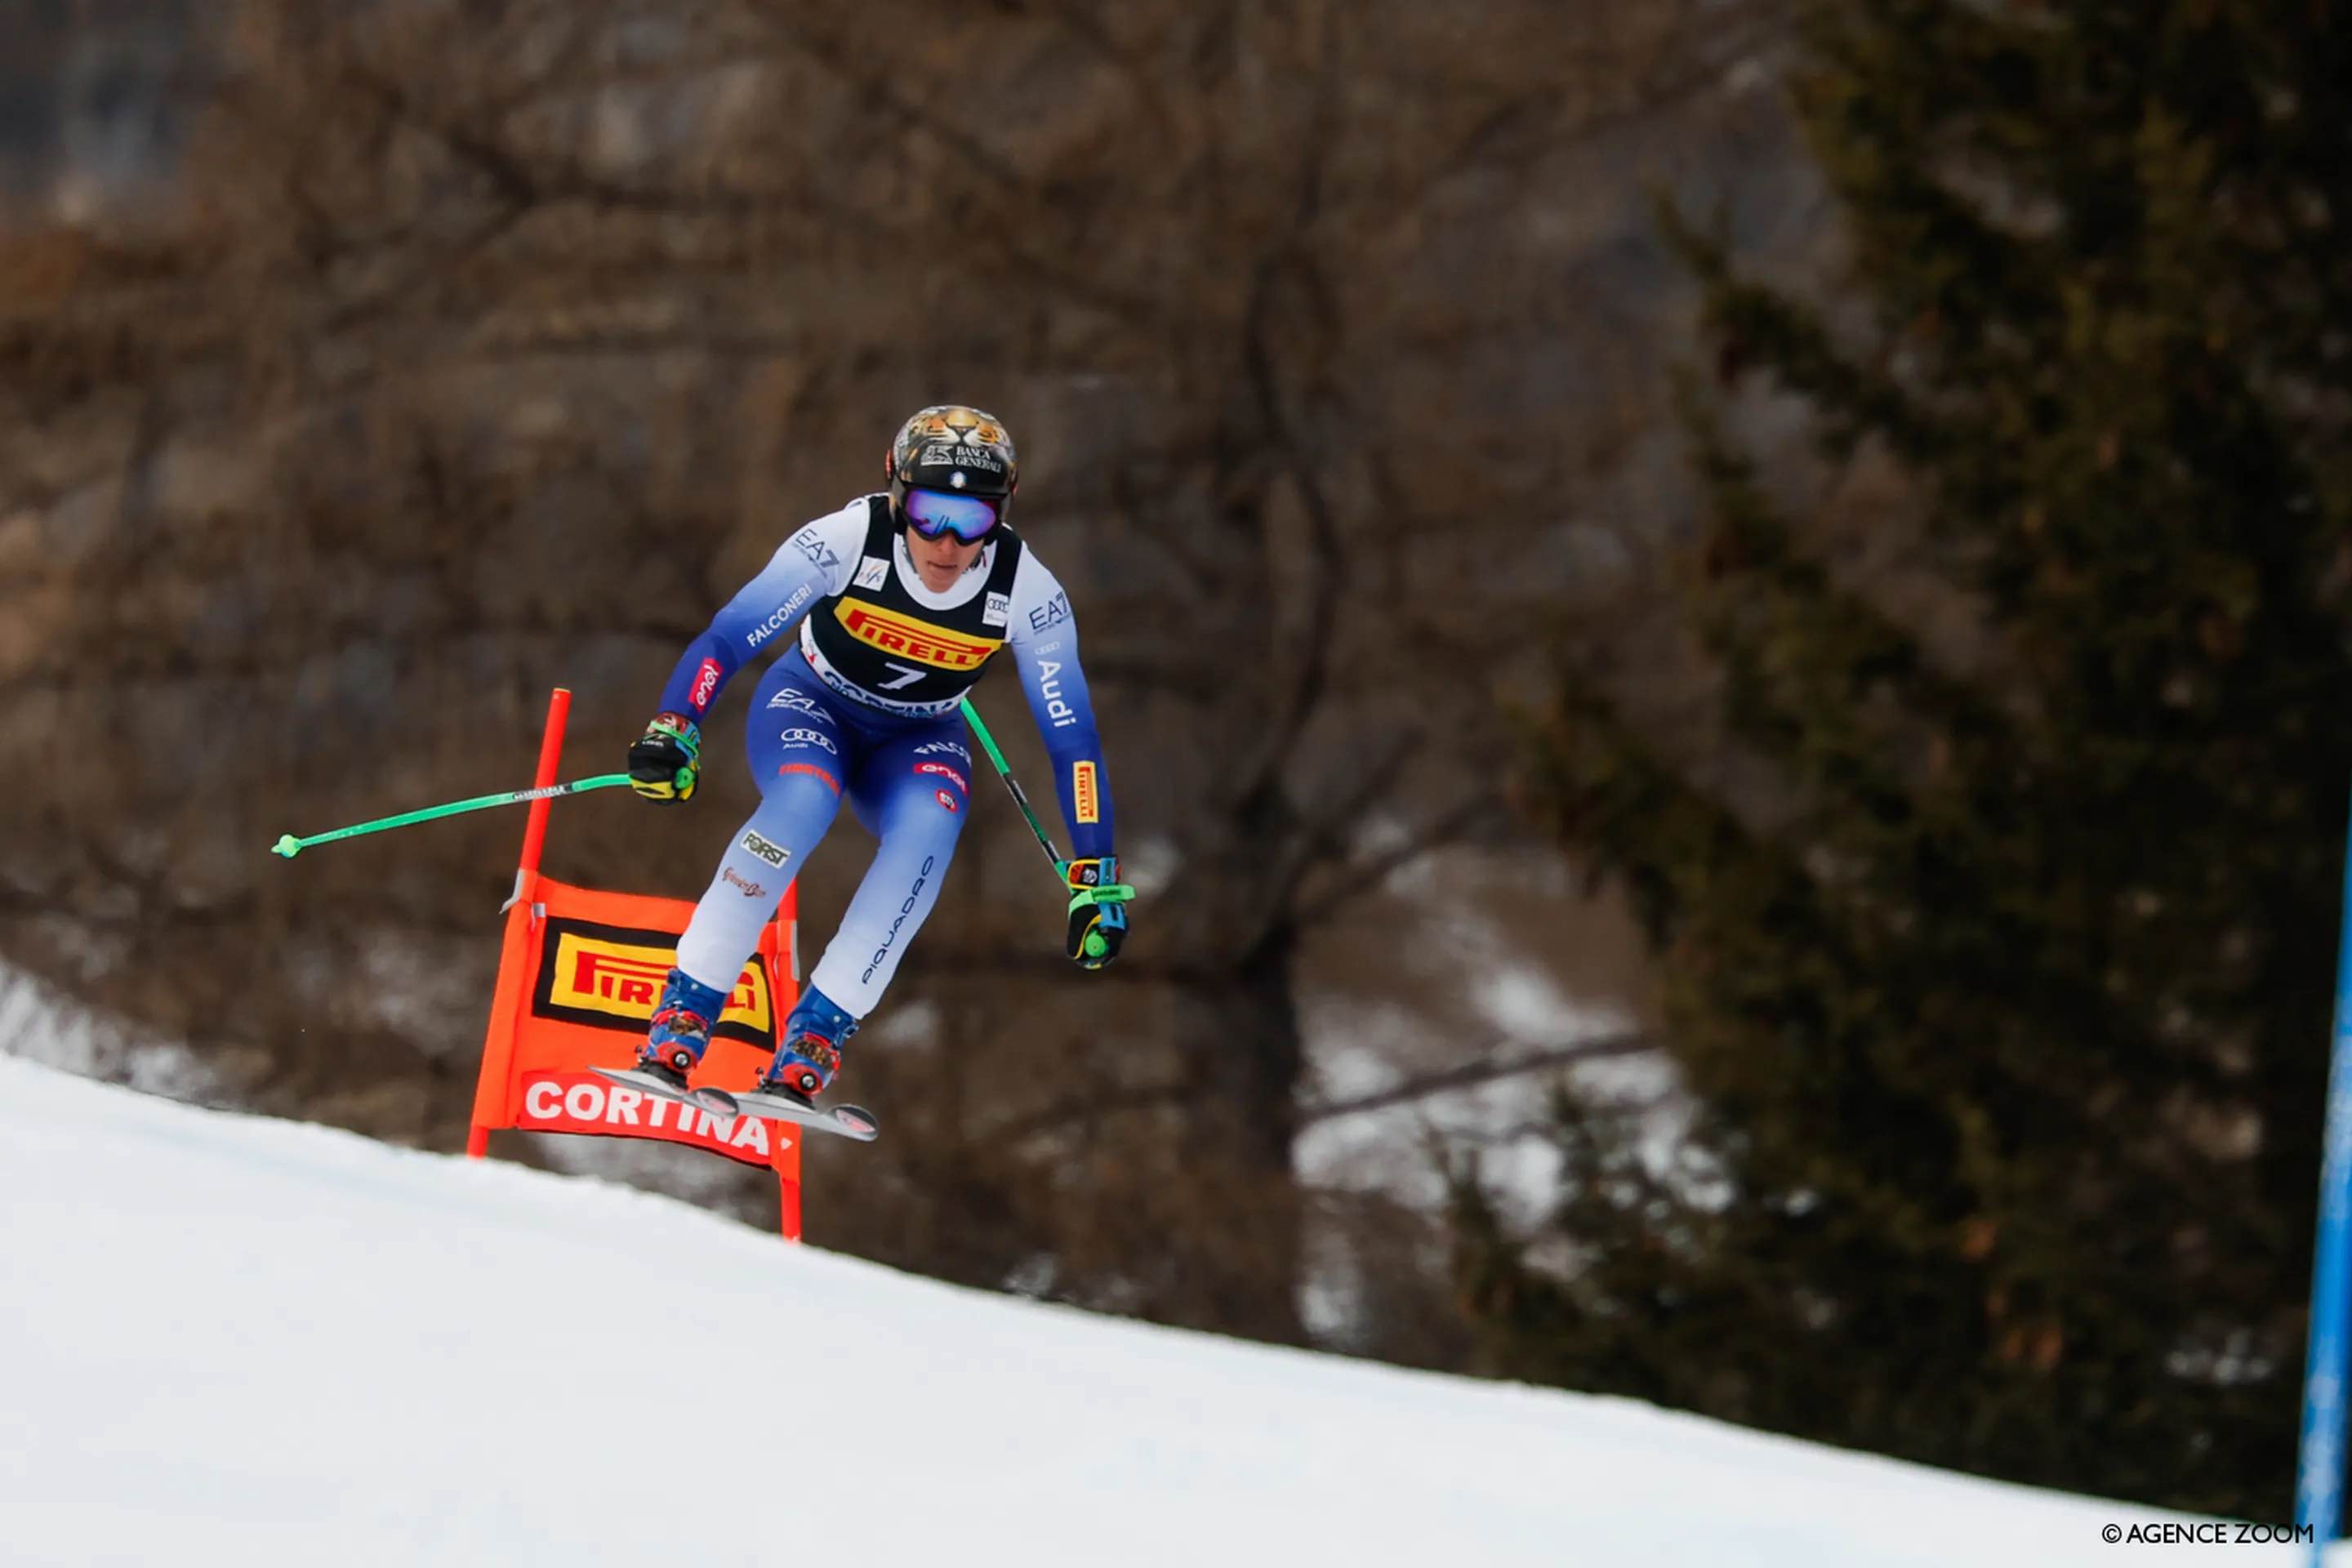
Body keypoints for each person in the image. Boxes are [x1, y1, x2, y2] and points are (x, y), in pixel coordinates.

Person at [622, 405, 1126, 1104]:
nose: (948, 545)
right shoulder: (845, 538)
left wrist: (1096, 868)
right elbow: (729, 637)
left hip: (919, 738)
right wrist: (673, 726)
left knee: (928, 834)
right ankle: (686, 1011)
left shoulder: (1028, 591)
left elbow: (1072, 739)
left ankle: (817, 1033)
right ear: (897, 495)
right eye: (929, 514)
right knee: (801, 803)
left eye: (973, 521)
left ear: (1002, 515)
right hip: (811, 705)